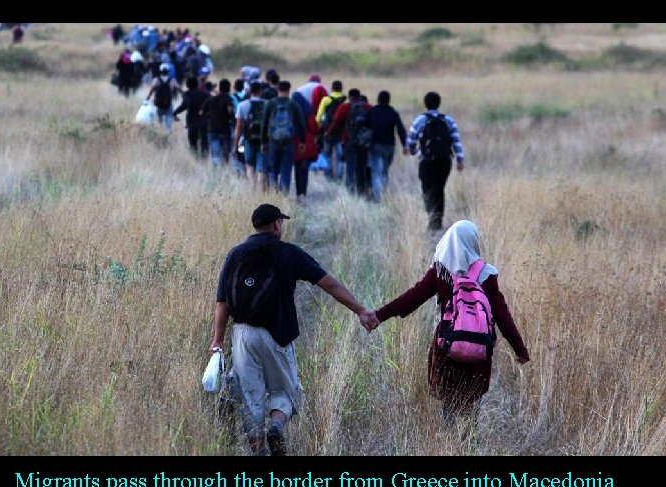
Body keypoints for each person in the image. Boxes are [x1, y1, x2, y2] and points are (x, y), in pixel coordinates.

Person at [211, 204, 372, 456]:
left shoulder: (235, 254)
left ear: (255, 225)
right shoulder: (288, 253)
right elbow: (328, 284)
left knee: (251, 397)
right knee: (285, 390)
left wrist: (217, 340)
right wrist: (360, 310)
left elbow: (222, 302)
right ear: (277, 224)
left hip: (242, 335)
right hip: (278, 335)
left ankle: (259, 452)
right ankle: (276, 426)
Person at [361, 220, 530, 424]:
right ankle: (468, 443)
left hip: (448, 345)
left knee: (449, 401)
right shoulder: (487, 274)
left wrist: (380, 315)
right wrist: (519, 349)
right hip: (478, 349)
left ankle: (448, 443)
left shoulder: (440, 272)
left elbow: (413, 297)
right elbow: (503, 315)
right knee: (472, 400)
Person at [406, 91, 465, 230]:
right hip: (445, 161)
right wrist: (460, 159)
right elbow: (456, 141)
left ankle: (431, 217)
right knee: (440, 188)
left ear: (425, 104)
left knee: (427, 189)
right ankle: (438, 221)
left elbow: (410, 141)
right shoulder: (448, 120)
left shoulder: (419, 120)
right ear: (439, 104)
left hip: (426, 160)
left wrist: (415, 151)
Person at [363, 90, 408, 203]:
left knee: (376, 173)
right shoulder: (393, 113)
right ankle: (385, 196)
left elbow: (362, 124)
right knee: (384, 172)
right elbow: (400, 129)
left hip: (375, 146)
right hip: (389, 147)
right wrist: (405, 145)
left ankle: (378, 199)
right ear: (389, 100)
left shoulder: (372, 111)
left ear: (378, 99)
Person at [261, 81, 306, 193]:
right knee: (286, 170)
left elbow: (264, 124)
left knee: (273, 169)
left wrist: (263, 142)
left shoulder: (270, 104)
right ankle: (283, 195)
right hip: (289, 141)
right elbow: (301, 123)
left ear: (278, 89)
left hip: (273, 141)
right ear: (289, 90)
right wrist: (302, 141)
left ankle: (273, 194)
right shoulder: (293, 104)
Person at [146, 63, 180, 131]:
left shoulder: (156, 80)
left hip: (158, 104)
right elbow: (179, 90)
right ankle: (168, 134)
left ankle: (160, 134)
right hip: (168, 104)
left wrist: (147, 99)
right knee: (168, 123)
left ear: (160, 71)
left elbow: (152, 90)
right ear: (168, 71)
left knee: (159, 121)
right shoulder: (172, 80)